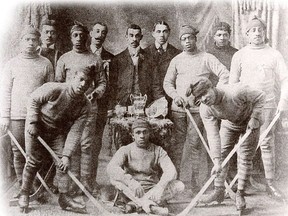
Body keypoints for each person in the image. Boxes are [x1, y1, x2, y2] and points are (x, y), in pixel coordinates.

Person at [18, 65, 94, 214]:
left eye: (88, 82)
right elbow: (33, 99)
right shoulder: (55, 88)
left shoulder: (85, 105)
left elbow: (76, 131)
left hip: (56, 132)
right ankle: (24, 193)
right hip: (37, 127)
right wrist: (33, 122)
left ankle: (64, 198)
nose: (83, 84)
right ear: (72, 78)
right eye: (81, 79)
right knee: (33, 161)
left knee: (63, 163)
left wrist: (66, 155)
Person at [163, 24, 229, 195]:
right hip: (179, 110)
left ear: (195, 39)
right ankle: (173, 180)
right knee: (177, 145)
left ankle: (195, 183)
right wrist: (175, 96)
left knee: (195, 144)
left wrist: (212, 93)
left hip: (198, 111)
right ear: (180, 41)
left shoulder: (206, 57)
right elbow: (167, 83)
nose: (187, 42)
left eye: (190, 38)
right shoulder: (177, 60)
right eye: (184, 39)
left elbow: (224, 74)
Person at [229, 16, 288, 202]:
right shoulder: (239, 55)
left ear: (264, 33)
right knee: (244, 144)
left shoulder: (274, 54)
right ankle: (242, 186)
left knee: (266, 142)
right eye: (253, 30)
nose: (257, 33)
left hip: (267, 104)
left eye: (260, 30)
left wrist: (283, 103)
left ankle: (270, 183)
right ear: (247, 34)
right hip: (245, 106)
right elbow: (232, 83)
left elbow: (285, 79)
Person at [185, 77, 265, 211]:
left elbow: (261, 96)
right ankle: (218, 192)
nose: (204, 99)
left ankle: (240, 193)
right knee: (221, 155)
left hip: (250, 123)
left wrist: (255, 117)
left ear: (212, 87)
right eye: (200, 97)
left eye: (205, 93)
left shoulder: (235, 92)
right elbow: (213, 135)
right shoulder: (206, 109)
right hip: (230, 124)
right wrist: (216, 162)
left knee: (245, 157)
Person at [0, 25, 54, 197]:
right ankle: (23, 188)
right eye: (27, 39)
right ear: (21, 42)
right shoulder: (11, 65)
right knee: (18, 153)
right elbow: (5, 92)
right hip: (16, 116)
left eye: (33, 40)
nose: (30, 43)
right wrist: (4, 116)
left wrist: (45, 117)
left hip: (38, 117)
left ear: (39, 42)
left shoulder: (46, 64)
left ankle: (37, 188)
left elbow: (50, 92)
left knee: (36, 154)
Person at [55, 21, 106, 196]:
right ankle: (70, 182)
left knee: (86, 145)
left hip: (89, 106)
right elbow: (58, 83)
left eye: (81, 35)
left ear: (87, 37)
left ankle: (85, 183)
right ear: (70, 37)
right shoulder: (64, 58)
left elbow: (102, 83)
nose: (78, 39)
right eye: (75, 35)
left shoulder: (94, 59)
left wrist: (96, 94)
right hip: (68, 108)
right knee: (71, 146)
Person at [106, 118, 184, 213]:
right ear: (132, 135)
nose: (142, 136)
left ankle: (135, 205)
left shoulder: (158, 150)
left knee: (179, 185)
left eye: (145, 132)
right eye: (138, 133)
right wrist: (131, 182)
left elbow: (171, 171)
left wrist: (160, 187)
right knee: (114, 179)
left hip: (154, 191)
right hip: (132, 191)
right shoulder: (125, 150)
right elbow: (111, 168)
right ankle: (150, 206)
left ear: (150, 133)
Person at [206, 21, 238, 189]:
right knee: (213, 138)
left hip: (231, 100)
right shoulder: (208, 54)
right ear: (214, 36)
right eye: (219, 34)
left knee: (229, 139)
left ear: (229, 36)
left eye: (225, 34)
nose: (222, 37)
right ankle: (216, 178)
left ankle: (231, 176)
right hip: (213, 100)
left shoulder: (237, 54)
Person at [89, 22, 116, 193]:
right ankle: (75, 181)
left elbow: (112, 85)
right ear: (91, 33)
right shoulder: (80, 53)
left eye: (103, 32)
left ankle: (90, 180)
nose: (100, 35)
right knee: (78, 143)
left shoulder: (110, 58)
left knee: (95, 143)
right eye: (97, 31)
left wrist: (110, 106)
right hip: (79, 106)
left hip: (100, 105)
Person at [112, 24, 163, 108]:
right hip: (122, 104)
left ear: (141, 37)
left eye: (137, 36)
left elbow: (155, 84)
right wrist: (113, 106)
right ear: (126, 36)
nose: (134, 39)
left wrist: (160, 100)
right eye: (131, 35)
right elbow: (112, 86)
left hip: (145, 103)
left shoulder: (150, 58)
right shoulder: (117, 59)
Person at [144, 21, 181, 117]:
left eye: (164, 31)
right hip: (149, 99)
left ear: (169, 33)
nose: (161, 35)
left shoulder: (177, 54)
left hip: (170, 99)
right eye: (158, 31)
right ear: (153, 33)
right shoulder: (144, 53)